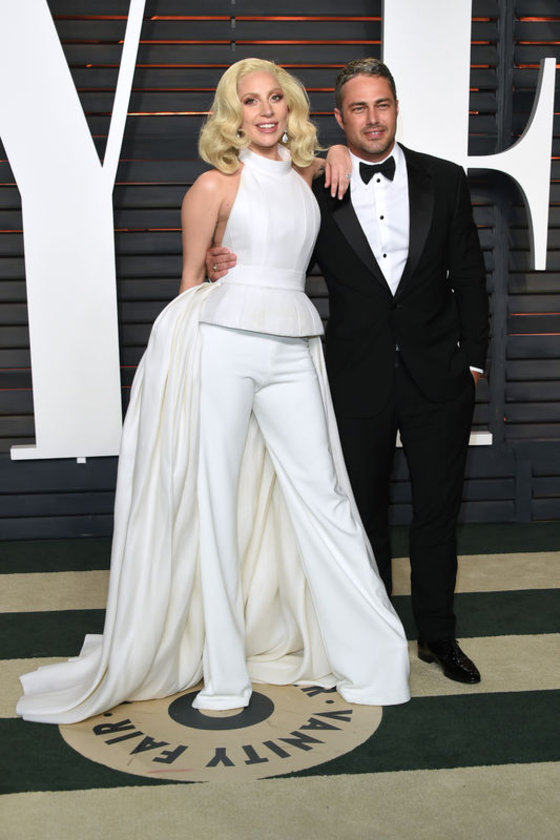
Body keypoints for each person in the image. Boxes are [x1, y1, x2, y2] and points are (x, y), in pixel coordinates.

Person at [16, 58, 410, 724]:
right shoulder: (211, 186)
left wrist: (340, 149)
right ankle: (225, 674)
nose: (265, 110)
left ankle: (373, 659)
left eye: (275, 98)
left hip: (294, 346)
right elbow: (191, 284)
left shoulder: (312, 175)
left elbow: (332, 163)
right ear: (233, 113)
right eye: (250, 100)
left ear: (291, 107)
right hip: (223, 346)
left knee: (326, 497)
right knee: (216, 502)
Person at [208, 58, 490, 685]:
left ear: (397, 107)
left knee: (437, 512)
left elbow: (470, 275)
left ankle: (438, 636)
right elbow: (274, 253)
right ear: (339, 117)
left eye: (382, 104)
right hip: (354, 376)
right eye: (358, 108)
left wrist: (473, 362)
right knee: (361, 513)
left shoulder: (445, 179)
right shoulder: (313, 187)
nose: (373, 118)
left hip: (439, 375)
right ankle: (374, 638)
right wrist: (220, 257)